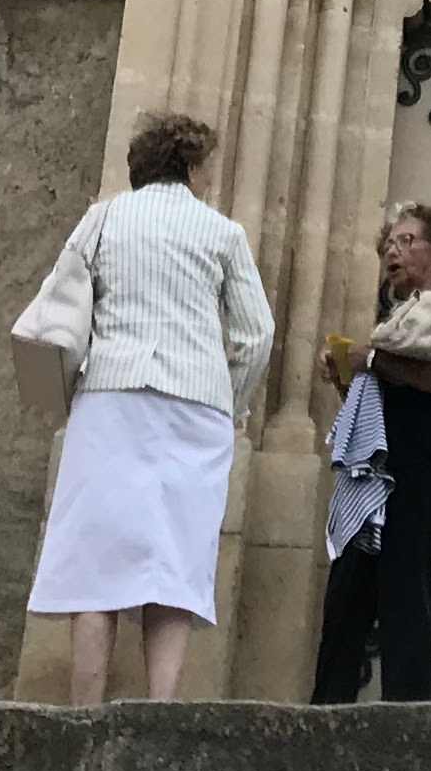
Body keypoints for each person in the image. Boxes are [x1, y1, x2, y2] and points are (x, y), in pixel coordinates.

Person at [25, 109, 273, 705]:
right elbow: (257, 334)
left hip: (111, 397)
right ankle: (158, 714)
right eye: (205, 169)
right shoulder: (223, 233)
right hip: (197, 408)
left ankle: (85, 715)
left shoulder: (103, 218)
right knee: (175, 562)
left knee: (93, 561)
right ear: (190, 169)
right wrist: (228, 400)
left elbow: (59, 307)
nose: (208, 179)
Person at [309, 201, 431, 706]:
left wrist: (369, 358)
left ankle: (411, 720)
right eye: (388, 244)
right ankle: (326, 716)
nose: (393, 251)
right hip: (375, 474)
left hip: (419, 473)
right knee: (346, 599)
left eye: (407, 241)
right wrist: (348, 372)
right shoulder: (399, 322)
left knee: (406, 594)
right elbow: (381, 396)